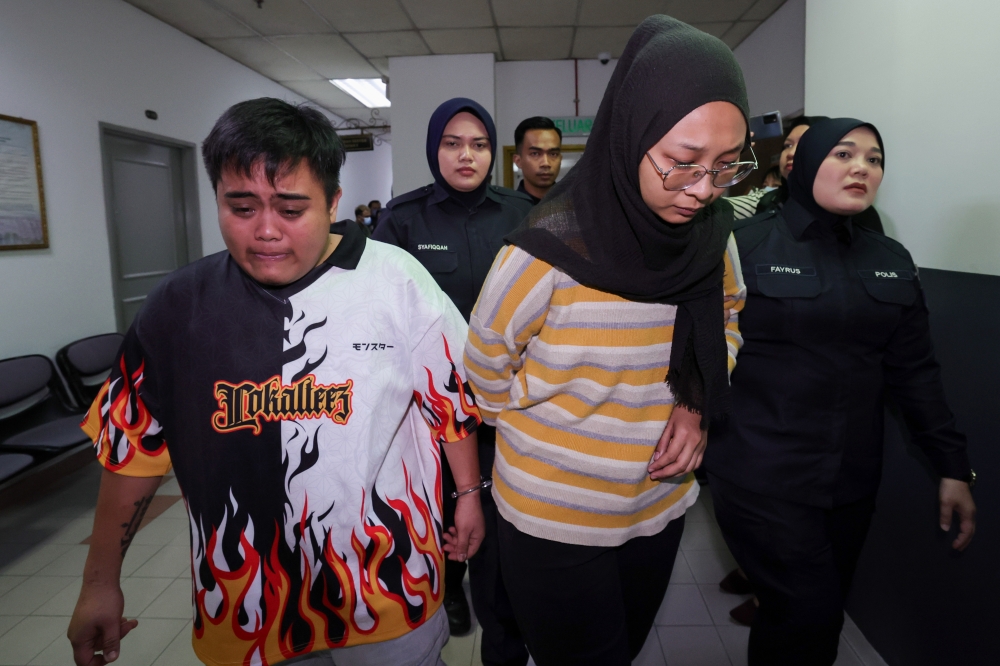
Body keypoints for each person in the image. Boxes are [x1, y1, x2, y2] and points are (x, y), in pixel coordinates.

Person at [67, 98, 485, 666]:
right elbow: (133, 452)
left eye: (292, 209)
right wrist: (99, 581)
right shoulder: (176, 307)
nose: (266, 231)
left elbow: (450, 402)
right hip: (246, 604)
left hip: (388, 587)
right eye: (241, 207)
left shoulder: (395, 281)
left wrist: (467, 497)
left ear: (334, 202)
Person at [464, 16, 752, 665]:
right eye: (682, 164)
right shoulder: (545, 251)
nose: (704, 189)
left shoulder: (713, 237)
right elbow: (484, 370)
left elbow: (727, 319)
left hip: (658, 503)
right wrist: (562, 435)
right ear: (630, 134)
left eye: (726, 167)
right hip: (555, 516)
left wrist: (696, 400)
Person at [706, 118, 977, 666]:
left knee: (802, 621)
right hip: (761, 474)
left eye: (874, 159)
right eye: (844, 154)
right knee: (808, 612)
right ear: (806, 163)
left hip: (849, 480)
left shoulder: (890, 260)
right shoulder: (743, 245)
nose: (861, 167)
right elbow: (697, 355)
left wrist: (952, 465)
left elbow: (915, 372)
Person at [372, 98, 533, 649]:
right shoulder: (403, 217)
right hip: (428, 410)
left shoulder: (522, 214)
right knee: (439, 503)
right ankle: (451, 587)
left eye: (479, 144)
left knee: (494, 503)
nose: (467, 155)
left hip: (502, 399)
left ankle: (497, 607)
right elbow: (383, 312)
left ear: (493, 150)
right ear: (433, 148)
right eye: (452, 143)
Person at [511, 116, 563, 204]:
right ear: (518, 161)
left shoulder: (574, 207)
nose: (546, 163)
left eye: (553, 154)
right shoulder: (509, 211)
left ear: (560, 159)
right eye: (535, 154)